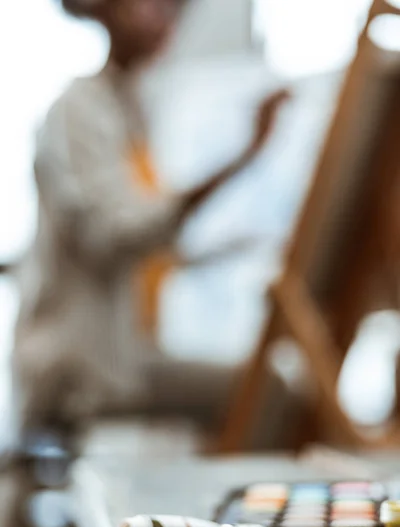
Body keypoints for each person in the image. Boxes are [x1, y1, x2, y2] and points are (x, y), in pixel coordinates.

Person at [13, 0, 287, 437]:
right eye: (156, 6)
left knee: (263, 383)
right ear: (110, 10)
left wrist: (232, 247)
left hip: (123, 356)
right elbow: (117, 234)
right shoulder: (78, 107)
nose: (168, 21)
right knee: (268, 389)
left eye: (175, 10)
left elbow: (149, 237)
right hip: (78, 367)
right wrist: (241, 159)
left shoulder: (129, 105)